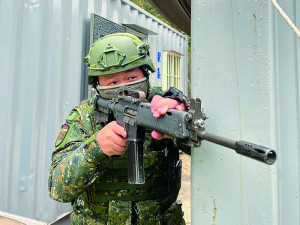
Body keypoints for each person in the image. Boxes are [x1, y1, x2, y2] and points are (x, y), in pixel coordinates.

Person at [48, 33, 190, 224]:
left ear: (146, 74)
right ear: (98, 85)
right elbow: (58, 189)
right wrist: (95, 149)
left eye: (132, 77)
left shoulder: (164, 105)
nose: (124, 88)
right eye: (113, 83)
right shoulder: (85, 116)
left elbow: (206, 149)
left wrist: (181, 122)